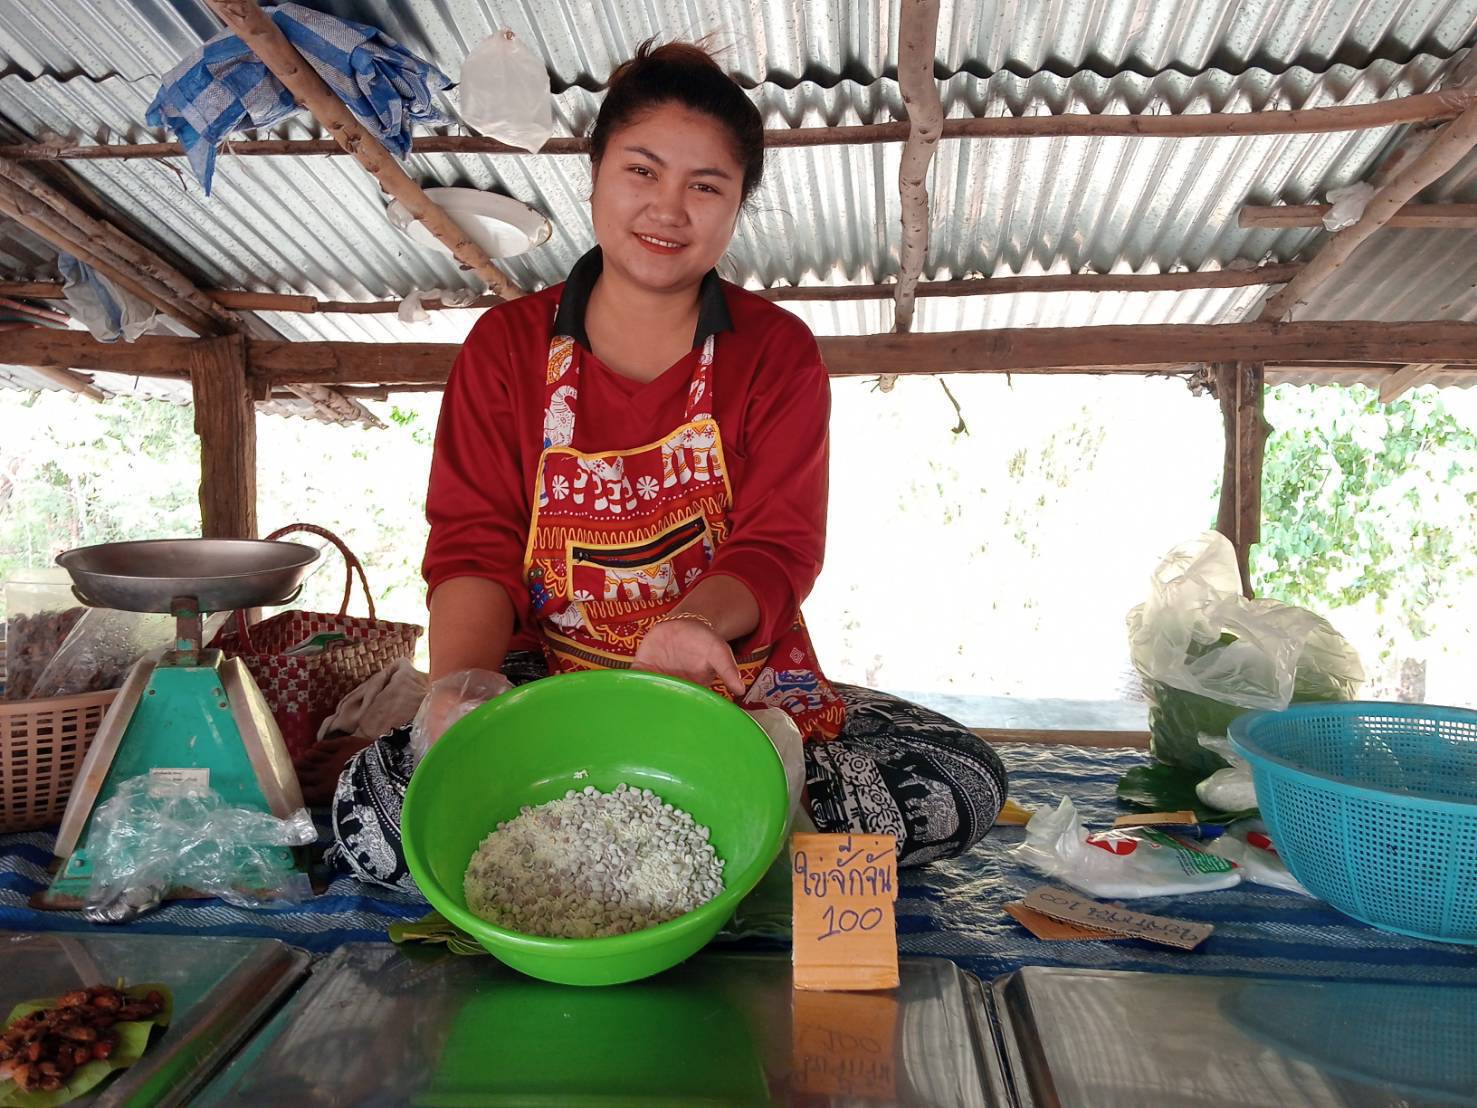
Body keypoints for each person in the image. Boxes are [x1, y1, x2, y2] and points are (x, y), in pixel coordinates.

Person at [324, 41, 1007, 888]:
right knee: (370, 821)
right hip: (552, 693)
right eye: (641, 171)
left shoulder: (775, 351)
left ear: (737, 206)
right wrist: (463, 690)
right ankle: (719, 836)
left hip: (724, 686)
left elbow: (778, 546)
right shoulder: (506, 346)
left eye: (705, 186)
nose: (668, 209)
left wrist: (692, 626)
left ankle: (614, 841)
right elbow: (473, 544)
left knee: (962, 784)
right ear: (594, 175)